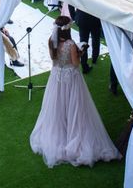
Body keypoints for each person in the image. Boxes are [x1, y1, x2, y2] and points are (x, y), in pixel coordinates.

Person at [29, 16, 121, 167]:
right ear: (68, 29)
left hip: (56, 79)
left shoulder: (51, 41)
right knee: (76, 107)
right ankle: (74, 135)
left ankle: (59, 133)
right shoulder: (71, 44)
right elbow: (76, 64)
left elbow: (54, 58)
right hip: (71, 79)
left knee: (57, 107)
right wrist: (81, 51)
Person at [74, 9, 102, 74]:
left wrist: (74, 16)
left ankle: (84, 65)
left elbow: (70, 4)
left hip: (83, 18)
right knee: (95, 39)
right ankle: (94, 58)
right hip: (95, 18)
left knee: (84, 42)